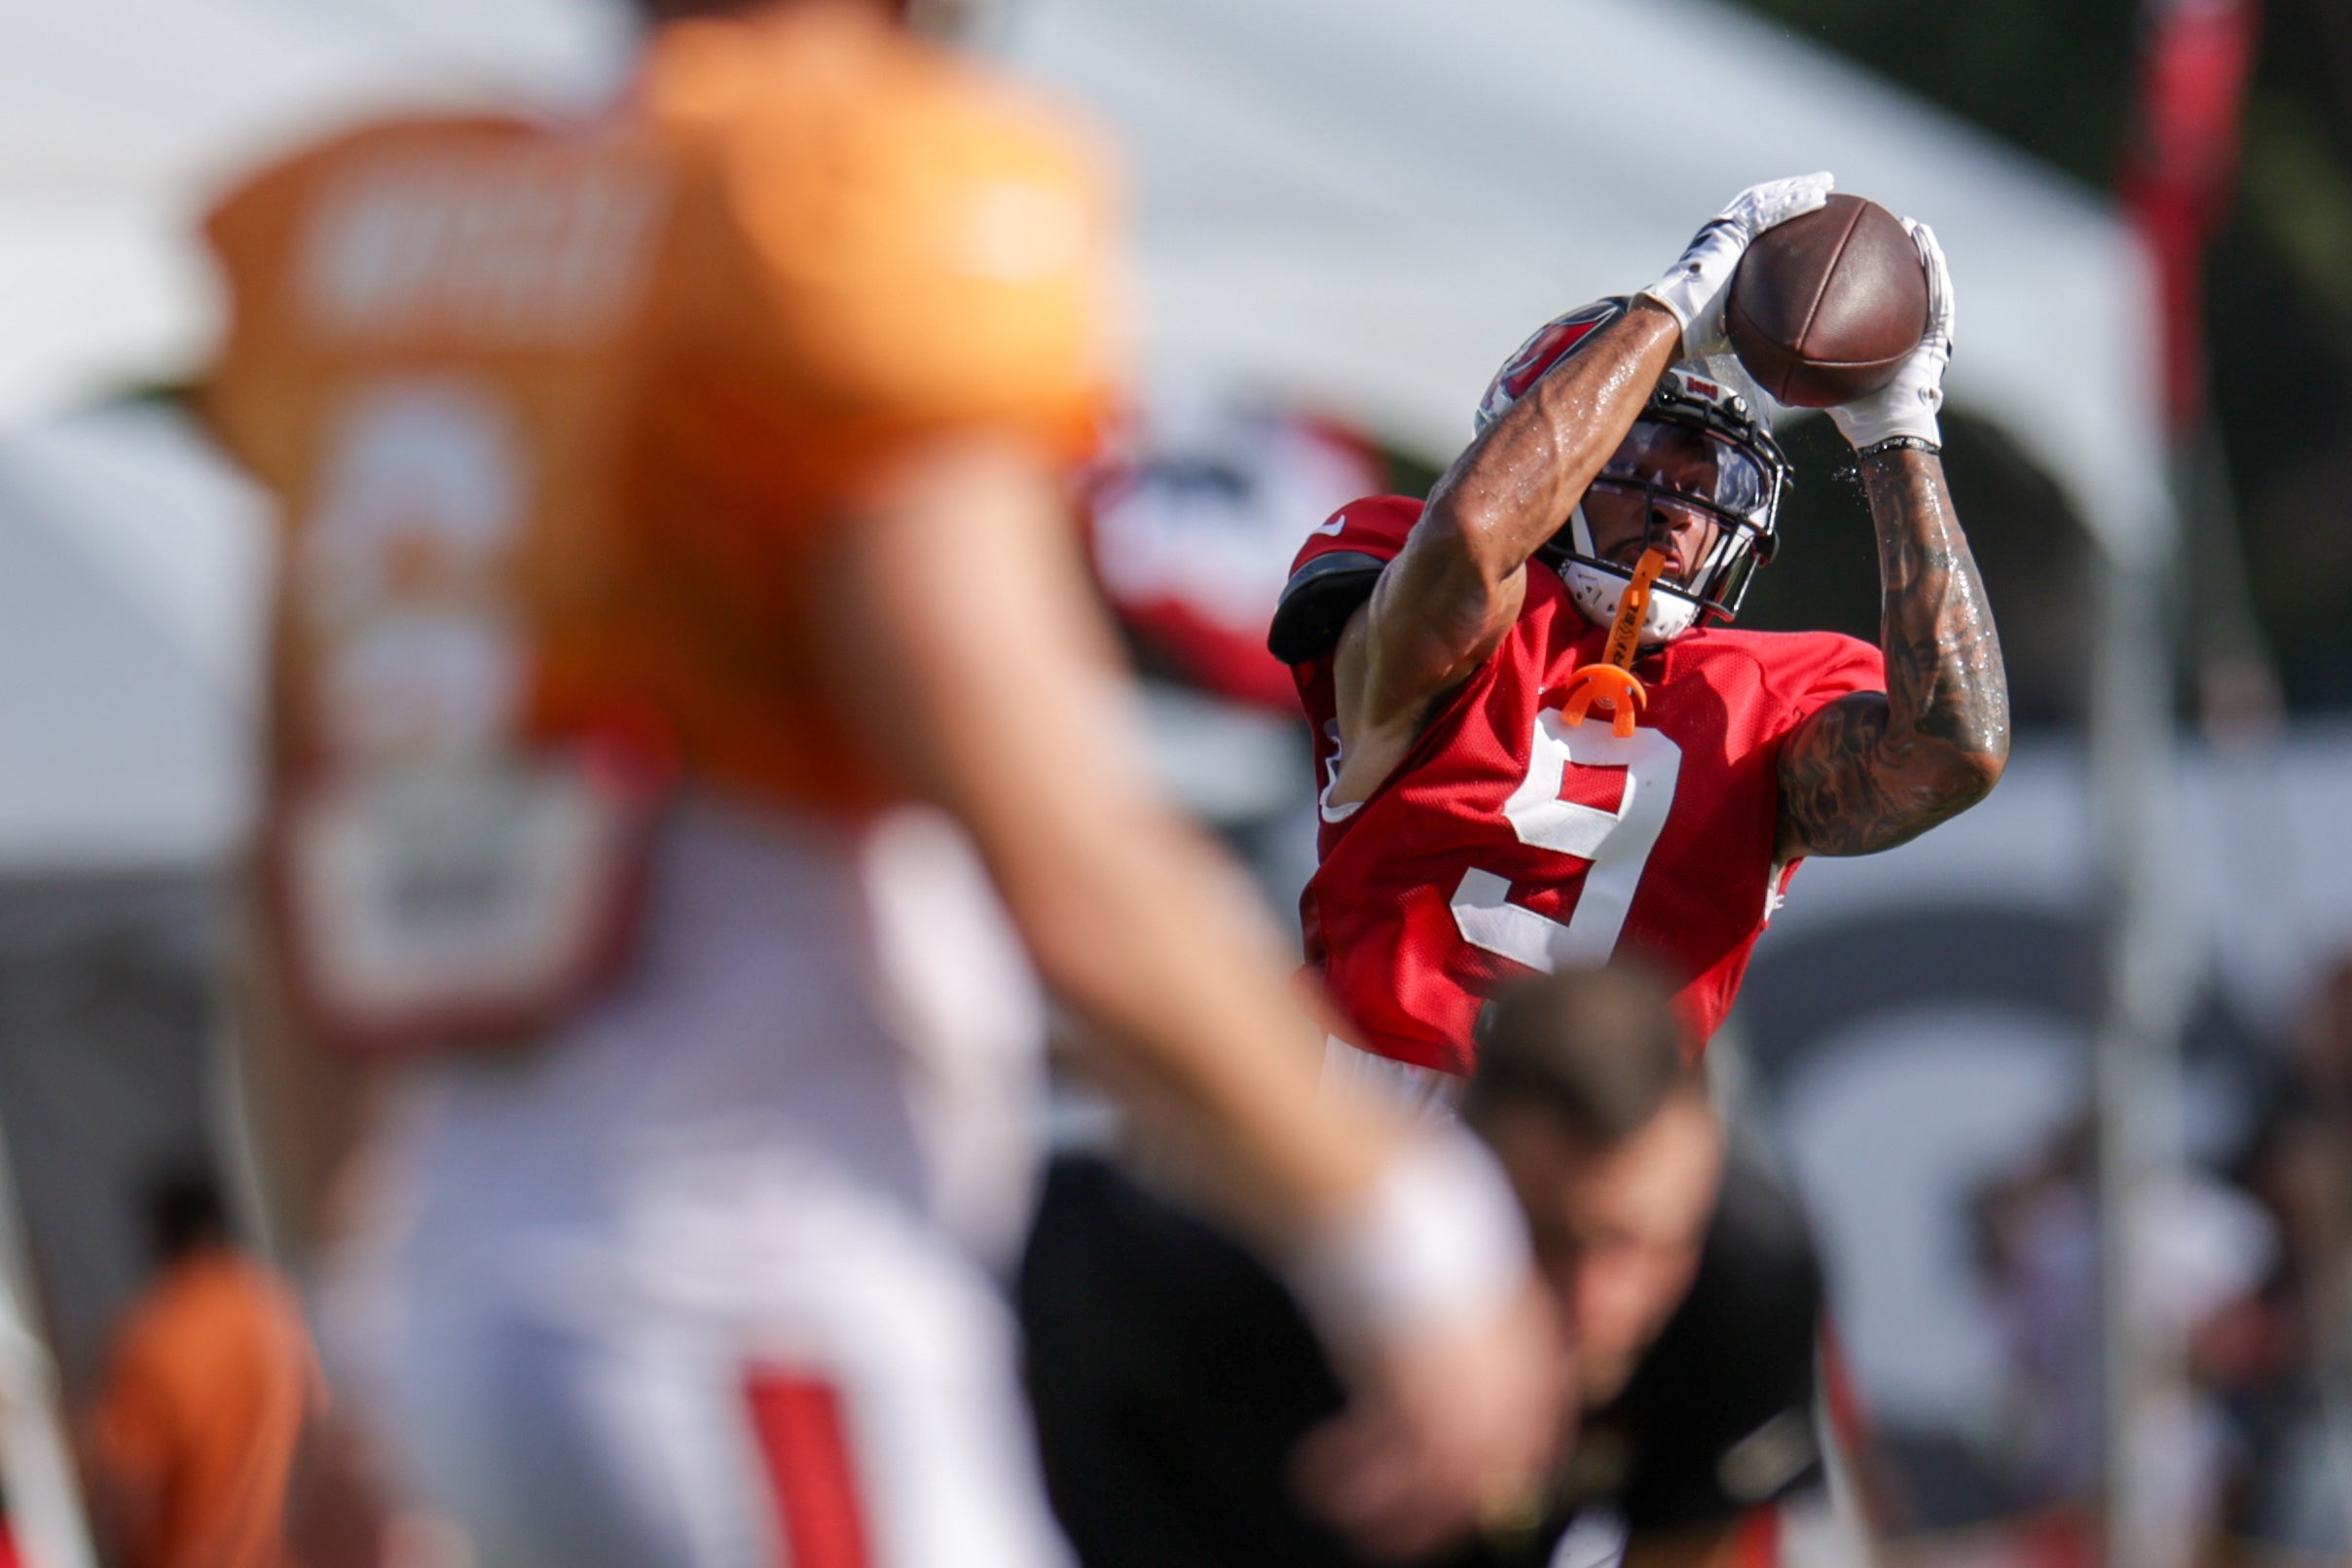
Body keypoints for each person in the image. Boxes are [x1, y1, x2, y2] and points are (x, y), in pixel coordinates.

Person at [197, 1, 1562, 1563]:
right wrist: (1411, 1240)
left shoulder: (403, 244)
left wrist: (363, 1328)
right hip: (750, 1298)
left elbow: (300, 890)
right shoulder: (829, 203)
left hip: (479, 1306)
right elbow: (1062, 850)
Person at [1273, 173, 2009, 1092]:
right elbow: (1469, 540)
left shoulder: (1771, 697)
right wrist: (1670, 308)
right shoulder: (1434, 591)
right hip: (1363, 1103)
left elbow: (1956, 750)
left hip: (1600, 1163)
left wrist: (1901, 437)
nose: (1679, 508)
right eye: (1641, 461)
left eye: (1717, 484)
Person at [1026, 962, 1831, 1568]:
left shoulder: (1743, 1276)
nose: (1596, 1300)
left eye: (1643, 1244)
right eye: (1547, 1235)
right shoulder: (1255, 1277)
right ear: (1462, 1165)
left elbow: (1688, 1535)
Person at [82, 1166, 320, 1568]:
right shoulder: (279, 1310)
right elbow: (318, 1439)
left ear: (165, 1236)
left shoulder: (154, 1335)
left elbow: (128, 1488)